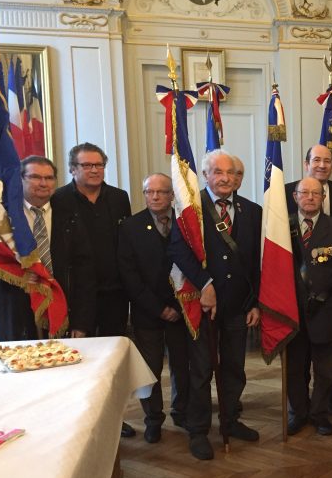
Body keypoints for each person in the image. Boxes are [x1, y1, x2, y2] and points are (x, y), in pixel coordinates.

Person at [169, 150, 261, 460]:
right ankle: (198, 429)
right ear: (206, 176)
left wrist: (254, 302)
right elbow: (179, 252)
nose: (225, 178)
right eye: (218, 172)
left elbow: (255, 263)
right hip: (203, 305)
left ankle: (230, 420)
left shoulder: (253, 211)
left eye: (232, 173)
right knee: (201, 371)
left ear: (238, 178)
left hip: (237, 306)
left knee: (235, 368)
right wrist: (205, 284)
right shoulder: (190, 211)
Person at [51, 142, 135, 437]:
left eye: (99, 165)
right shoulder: (58, 199)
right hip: (75, 296)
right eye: (87, 165)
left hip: (115, 293)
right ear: (73, 169)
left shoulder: (119, 198)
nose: (94, 170)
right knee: (79, 359)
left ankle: (114, 418)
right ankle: (81, 422)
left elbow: (127, 244)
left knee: (110, 359)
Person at [0, 156, 96, 340]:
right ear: (20, 179)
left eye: (49, 178)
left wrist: (81, 322)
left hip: (61, 312)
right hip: (16, 315)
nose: (43, 183)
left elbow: (85, 271)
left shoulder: (70, 214)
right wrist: (14, 278)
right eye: (35, 177)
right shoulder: (1, 218)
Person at [118, 173, 190, 443]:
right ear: (144, 194)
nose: (156, 196)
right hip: (147, 312)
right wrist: (159, 308)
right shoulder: (130, 227)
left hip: (182, 311)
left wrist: (177, 306)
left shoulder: (185, 224)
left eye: (162, 192)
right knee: (150, 370)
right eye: (150, 192)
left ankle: (181, 411)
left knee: (183, 366)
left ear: (172, 195)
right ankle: (153, 419)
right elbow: (129, 275)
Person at [286, 177, 332, 437]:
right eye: (304, 192)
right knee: (295, 369)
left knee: (326, 371)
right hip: (292, 311)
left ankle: (319, 414)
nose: (310, 197)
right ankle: (298, 413)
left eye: (315, 193)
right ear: (295, 197)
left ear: (323, 197)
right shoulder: (282, 228)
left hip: (326, 310)